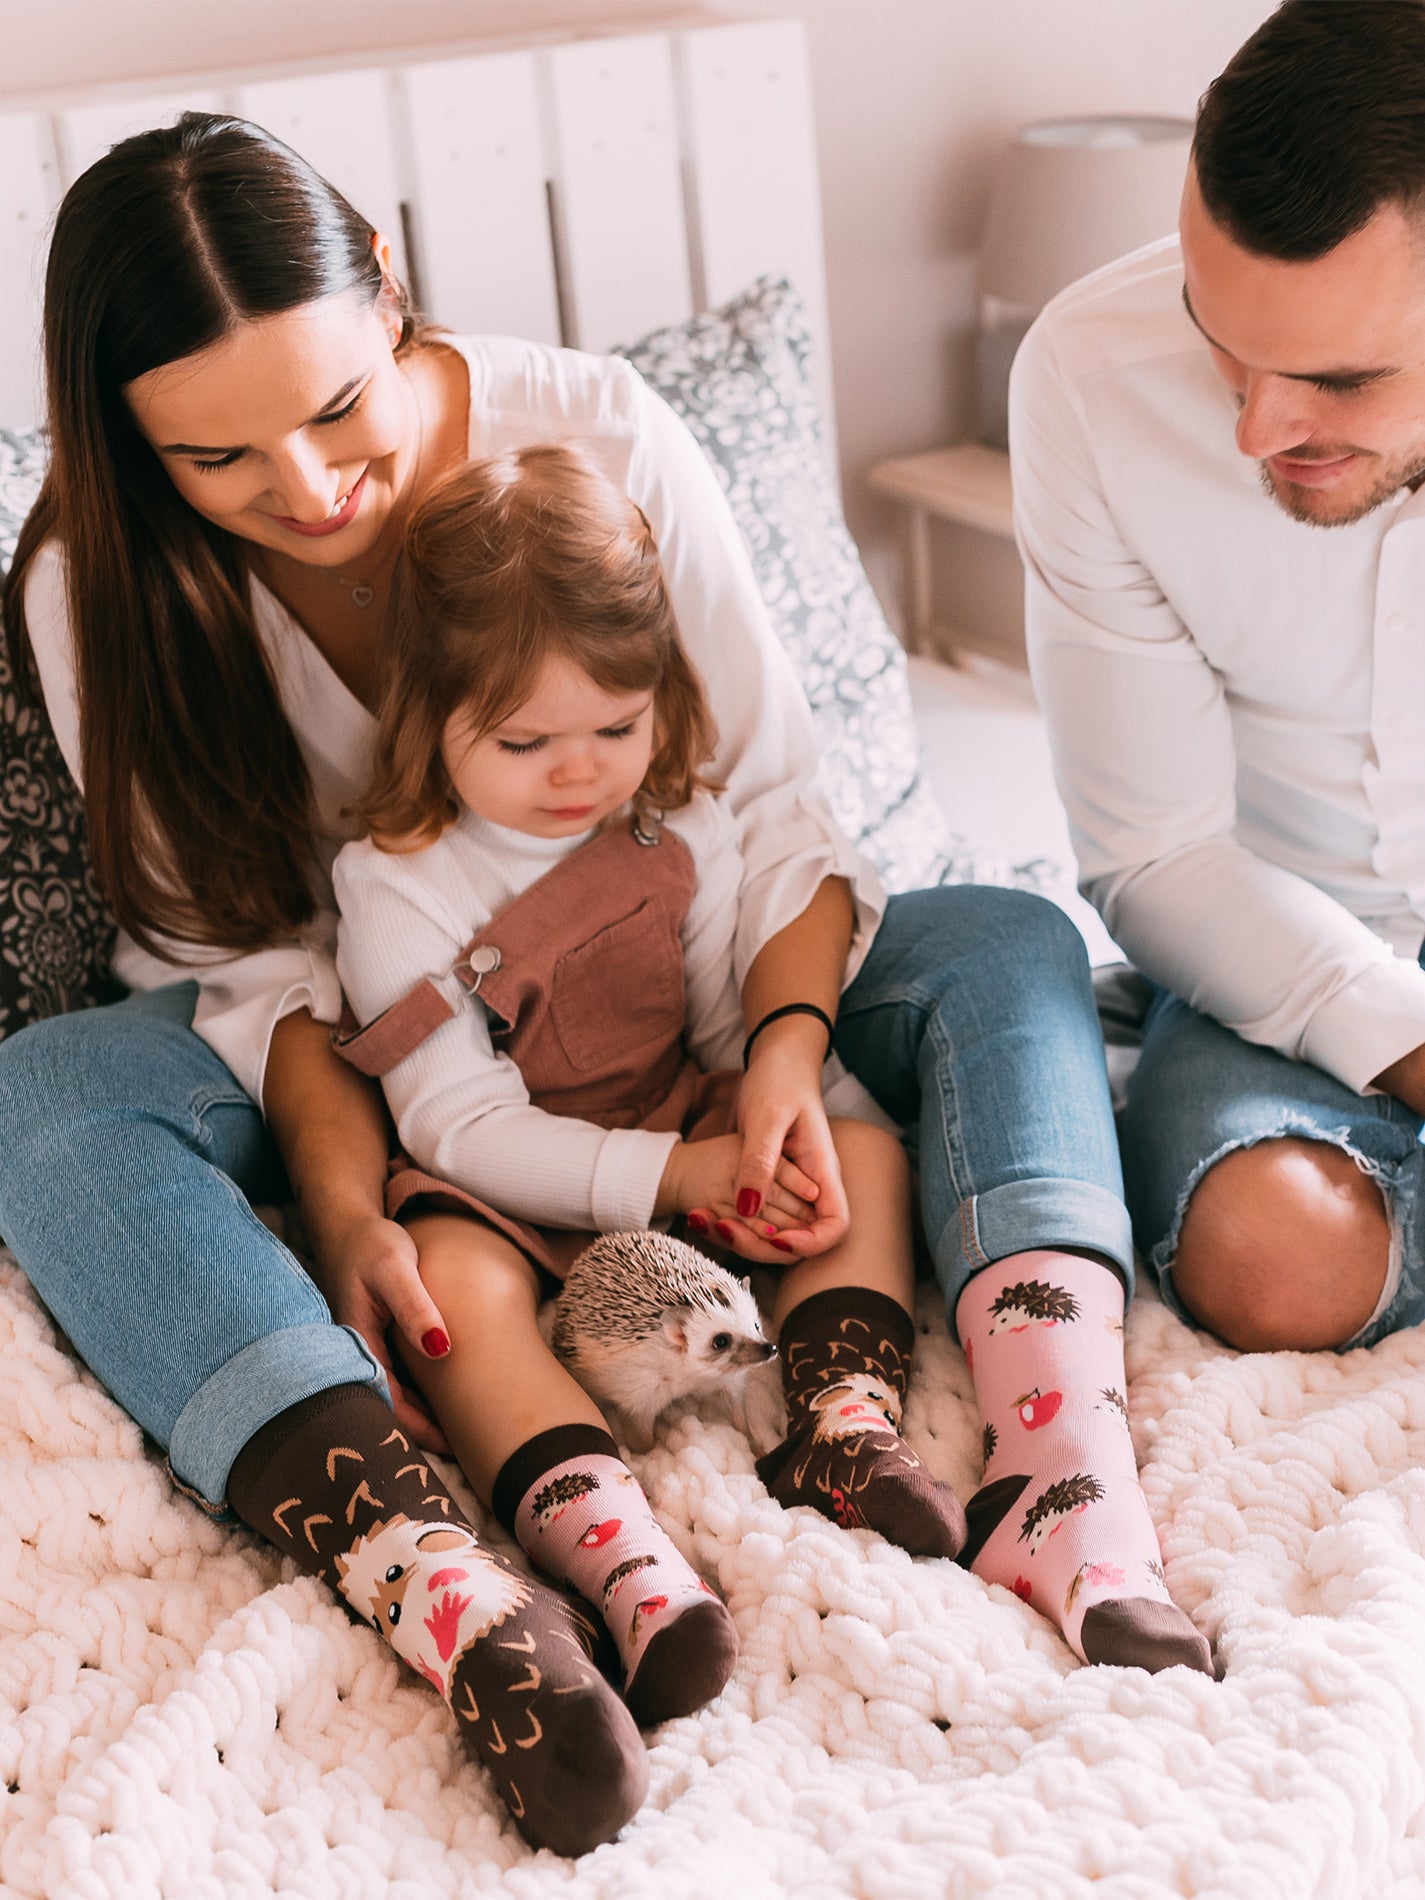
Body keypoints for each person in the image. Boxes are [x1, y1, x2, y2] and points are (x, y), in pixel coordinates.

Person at [0, 113, 1203, 1857]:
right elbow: (249, 978)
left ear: (391, 291)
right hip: (375, 1061)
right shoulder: (95, 591)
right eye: (221, 460)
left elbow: (785, 816)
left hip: (707, 985)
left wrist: (783, 1057)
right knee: (43, 1089)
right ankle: (446, 1583)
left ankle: (1053, 1455)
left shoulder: (599, 437)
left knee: (1003, 940)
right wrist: (350, 1212)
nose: (315, 490)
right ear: (129, 444)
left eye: (338, 411)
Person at [330, 442, 972, 1711]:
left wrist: (772, 1146)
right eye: (524, 740)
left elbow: (731, 1030)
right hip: (509, 1178)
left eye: (616, 726)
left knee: (870, 1151)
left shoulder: (677, 826)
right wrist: (668, 1171)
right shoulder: (396, 884)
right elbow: (456, 1120)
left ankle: (843, 1420)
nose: (580, 769)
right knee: (450, 1285)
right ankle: (616, 1552)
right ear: (428, 716)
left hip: (676, 1122)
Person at [1012, 0, 1425, 1362]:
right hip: (1274, 957)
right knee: (1266, 1254)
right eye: (1219, 338)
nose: (1252, 427)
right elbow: (1157, 854)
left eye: (1335, 380)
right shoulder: (1083, 377)